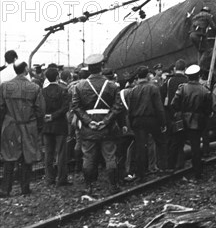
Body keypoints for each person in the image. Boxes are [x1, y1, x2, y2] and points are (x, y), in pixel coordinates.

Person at [72, 54, 123, 194]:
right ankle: (113, 186)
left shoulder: (80, 86)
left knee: (88, 157)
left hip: (89, 128)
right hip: (108, 127)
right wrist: (105, 122)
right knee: (110, 156)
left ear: (89, 69)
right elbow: (117, 107)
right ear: (101, 67)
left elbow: (76, 107)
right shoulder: (112, 85)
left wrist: (89, 122)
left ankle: (89, 186)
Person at [0, 61, 45, 197]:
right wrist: (38, 126)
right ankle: (25, 188)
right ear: (26, 69)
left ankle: (5, 190)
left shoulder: (4, 86)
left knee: (9, 158)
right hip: (28, 125)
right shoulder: (34, 87)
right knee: (27, 157)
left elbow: (1, 108)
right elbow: (40, 111)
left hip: (10, 126)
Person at [126, 66, 167, 183]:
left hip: (137, 121)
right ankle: (163, 168)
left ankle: (140, 175)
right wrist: (163, 122)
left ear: (138, 77)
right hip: (152, 120)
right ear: (148, 75)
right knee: (161, 143)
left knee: (140, 148)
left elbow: (130, 110)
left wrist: (131, 124)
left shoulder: (132, 90)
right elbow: (159, 108)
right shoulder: (153, 88)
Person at [171, 64, 212, 180]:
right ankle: (197, 173)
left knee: (177, 143)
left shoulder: (182, 88)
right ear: (199, 76)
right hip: (198, 122)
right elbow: (208, 109)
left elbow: (174, 104)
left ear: (188, 76)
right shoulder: (205, 90)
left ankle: (172, 168)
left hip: (182, 121)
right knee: (195, 148)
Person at [41, 68, 71, 186]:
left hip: (47, 126)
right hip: (60, 125)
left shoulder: (42, 91)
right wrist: (53, 116)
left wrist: (46, 116)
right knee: (62, 153)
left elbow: (40, 107)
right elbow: (65, 109)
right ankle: (62, 179)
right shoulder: (64, 90)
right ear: (58, 77)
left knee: (48, 153)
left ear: (46, 78)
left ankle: (49, 178)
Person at [161, 59, 189, 170]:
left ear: (175, 69)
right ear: (185, 69)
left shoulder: (168, 81)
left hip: (171, 115)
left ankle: (171, 164)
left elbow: (162, 96)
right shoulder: (187, 80)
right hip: (185, 114)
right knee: (181, 140)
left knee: (173, 140)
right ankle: (179, 163)